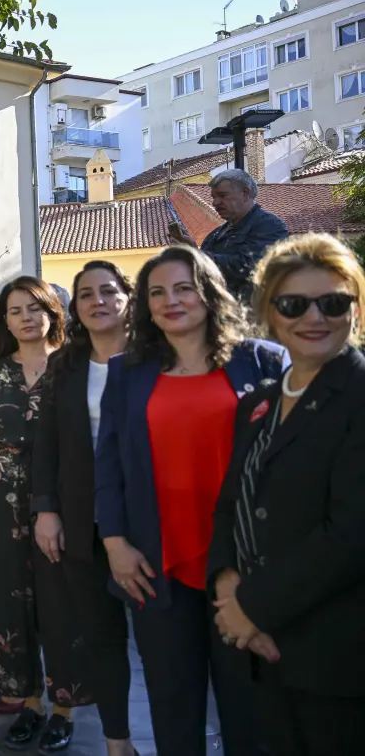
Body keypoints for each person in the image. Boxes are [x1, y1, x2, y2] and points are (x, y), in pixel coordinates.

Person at [94, 245, 284, 756]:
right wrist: (114, 542)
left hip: (244, 565)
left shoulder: (262, 361)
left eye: (184, 288)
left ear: (209, 292)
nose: (171, 301)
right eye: (157, 292)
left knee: (249, 712)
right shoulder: (126, 372)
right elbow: (108, 466)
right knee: (173, 707)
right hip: (157, 563)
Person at [208, 234, 365, 756]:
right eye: (294, 304)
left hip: (336, 659)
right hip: (258, 653)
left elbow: (350, 534)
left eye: (334, 303)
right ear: (270, 313)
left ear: (356, 308)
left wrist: (252, 608)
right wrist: (227, 586)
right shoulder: (258, 403)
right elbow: (232, 503)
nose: (314, 318)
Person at [32, 262, 138, 756]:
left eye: (109, 291)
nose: (98, 301)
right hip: (81, 519)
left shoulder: (155, 359)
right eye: (87, 294)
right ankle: (118, 742)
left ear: (128, 298)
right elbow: (47, 443)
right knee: (100, 636)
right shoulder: (67, 365)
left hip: (145, 522)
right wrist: (46, 509)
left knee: (161, 644)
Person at [0, 277, 73, 749]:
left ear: (52, 312)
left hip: (63, 501)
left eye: (34, 308)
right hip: (1, 501)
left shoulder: (73, 368)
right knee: (10, 603)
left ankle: (64, 708)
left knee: (62, 603)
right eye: (14, 310)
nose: (25, 318)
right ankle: (29, 702)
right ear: (5, 321)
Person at [170, 169, 289, 302]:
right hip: (217, 309)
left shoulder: (270, 226)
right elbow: (203, 274)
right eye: (213, 197)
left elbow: (248, 267)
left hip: (249, 311)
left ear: (245, 193)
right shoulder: (215, 234)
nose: (215, 202)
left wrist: (197, 255)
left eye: (222, 195)